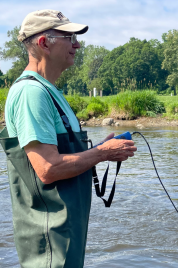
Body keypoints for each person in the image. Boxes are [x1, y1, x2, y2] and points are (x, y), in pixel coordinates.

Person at [0, 10, 137, 267]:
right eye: (69, 37)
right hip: (50, 240)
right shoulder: (32, 92)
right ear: (43, 44)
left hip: (65, 232)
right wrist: (104, 152)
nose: (77, 44)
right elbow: (48, 168)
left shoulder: (50, 91)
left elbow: (58, 156)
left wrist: (99, 150)